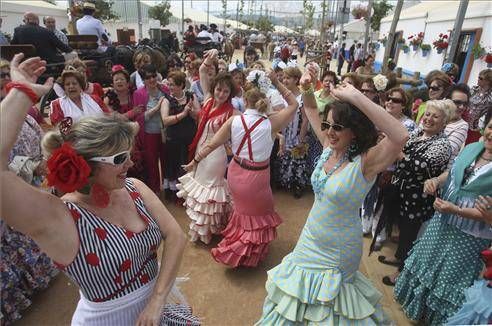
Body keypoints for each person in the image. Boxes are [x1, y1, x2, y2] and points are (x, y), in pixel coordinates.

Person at [0, 53, 196, 326]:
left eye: (128, 154)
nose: (130, 162)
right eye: (119, 159)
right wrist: (21, 93)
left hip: (157, 313)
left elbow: (175, 235)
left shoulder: (133, 187)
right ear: (86, 163)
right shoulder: (60, 217)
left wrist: (157, 300)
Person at [257, 65, 409, 325]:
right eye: (328, 125)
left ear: (355, 131)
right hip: (310, 238)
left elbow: (400, 135)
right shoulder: (328, 147)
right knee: (295, 300)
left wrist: (356, 97)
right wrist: (306, 86)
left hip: (338, 251)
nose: (329, 131)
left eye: (338, 126)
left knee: (330, 311)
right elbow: (312, 108)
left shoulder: (366, 162)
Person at [184, 71, 298, 267]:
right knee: (259, 214)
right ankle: (246, 254)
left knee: (241, 213)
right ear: (265, 101)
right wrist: (276, 82)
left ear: (245, 100)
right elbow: (294, 105)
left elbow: (210, 144)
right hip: (257, 177)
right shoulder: (271, 123)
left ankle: (237, 247)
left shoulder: (234, 121)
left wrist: (195, 161)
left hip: (235, 172)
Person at [394, 112, 492, 325]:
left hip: (470, 236)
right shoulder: (472, 149)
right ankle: (417, 312)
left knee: (449, 278)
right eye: (491, 127)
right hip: (442, 221)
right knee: (428, 262)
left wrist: (455, 210)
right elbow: (454, 172)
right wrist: (436, 181)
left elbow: (488, 214)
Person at [379, 100, 452, 286]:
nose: (429, 118)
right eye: (427, 114)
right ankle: (399, 258)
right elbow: (404, 151)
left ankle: (401, 273)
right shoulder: (418, 133)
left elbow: (418, 166)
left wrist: (398, 152)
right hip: (402, 192)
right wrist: (400, 151)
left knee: (410, 235)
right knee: (403, 230)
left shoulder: (442, 144)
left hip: (419, 198)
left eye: (435, 116)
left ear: (444, 122)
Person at [1, 100, 58, 325]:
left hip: (32, 189)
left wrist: (41, 164)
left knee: (33, 237)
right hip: (11, 197)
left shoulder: (25, 115)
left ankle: (36, 284)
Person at [177, 49, 238, 244]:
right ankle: (204, 230)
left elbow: (251, 122)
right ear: (214, 88)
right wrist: (212, 57)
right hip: (199, 151)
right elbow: (203, 71)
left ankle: (211, 230)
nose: (221, 93)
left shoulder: (233, 112)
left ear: (230, 94)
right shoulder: (209, 99)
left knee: (209, 193)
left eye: (226, 91)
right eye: (219, 89)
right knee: (201, 191)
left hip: (215, 157)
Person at [160, 71, 198, 203]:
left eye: (173, 85)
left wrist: (191, 111)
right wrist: (183, 113)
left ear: (181, 85)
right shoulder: (166, 100)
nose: (170, 87)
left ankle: (189, 195)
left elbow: (198, 115)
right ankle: (174, 196)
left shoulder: (191, 96)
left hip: (189, 140)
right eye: (169, 84)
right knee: (174, 166)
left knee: (187, 165)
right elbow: (165, 120)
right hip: (173, 141)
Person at [133, 64, 170, 193]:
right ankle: (155, 191)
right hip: (149, 134)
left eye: (154, 76)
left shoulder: (165, 89)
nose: (152, 80)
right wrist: (156, 108)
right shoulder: (139, 93)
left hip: (165, 132)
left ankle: (168, 189)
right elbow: (139, 117)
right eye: (148, 78)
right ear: (143, 80)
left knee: (167, 161)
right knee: (152, 163)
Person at [103, 66, 145, 180]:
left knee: (140, 162)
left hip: (137, 135)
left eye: (122, 79)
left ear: (127, 83)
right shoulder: (108, 99)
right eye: (116, 79)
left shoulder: (135, 94)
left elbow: (142, 111)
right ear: (112, 83)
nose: (119, 81)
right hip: (118, 135)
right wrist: (132, 112)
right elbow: (114, 118)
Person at [275, 67, 309, 198]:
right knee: (283, 156)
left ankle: (297, 185)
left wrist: (301, 139)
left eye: (288, 78)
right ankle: (283, 181)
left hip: (297, 133)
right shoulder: (282, 96)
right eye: (283, 77)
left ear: (296, 80)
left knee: (297, 159)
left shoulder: (302, 97)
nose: (284, 80)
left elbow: (305, 119)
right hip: (284, 131)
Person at [446, 84, 470, 164]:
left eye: (465, 104)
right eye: (457, 102)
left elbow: (445, 152)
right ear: (447, 101)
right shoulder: (435, 116)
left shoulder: (462, 126)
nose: (462, 107)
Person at [466, 68, 492, 144]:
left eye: (481, 78)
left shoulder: (490, 96)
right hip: (465, 121)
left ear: (488, 81)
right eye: (478, 77)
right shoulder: (474, 89)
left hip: (477, 127)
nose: (478, 79)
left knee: (470, 146)